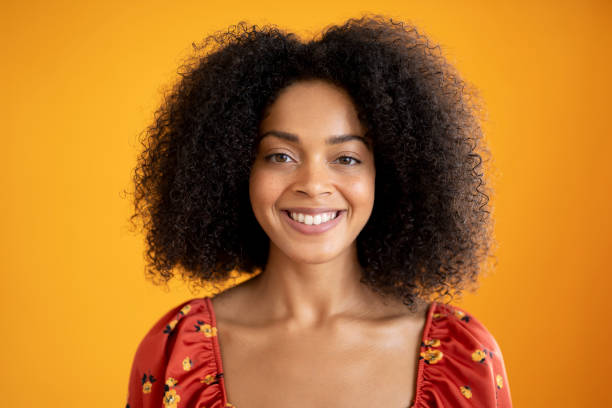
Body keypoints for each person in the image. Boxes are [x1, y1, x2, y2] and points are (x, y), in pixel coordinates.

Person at [124, 14, 512, 408]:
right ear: (235, 168)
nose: (312, 183)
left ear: (389, 174)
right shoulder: (174, 352)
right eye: (280, 156)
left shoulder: (464, 357)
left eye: (345, 158)